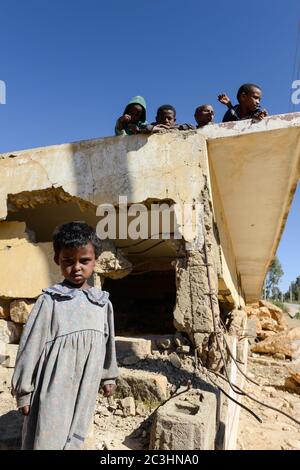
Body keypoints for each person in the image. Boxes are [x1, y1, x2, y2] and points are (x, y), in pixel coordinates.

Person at [11, 221, 118, 450]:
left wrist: (108, 376)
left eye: (84, 261)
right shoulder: (50, 301)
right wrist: (24, 392)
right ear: (57, 260)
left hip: (86, 384)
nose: (76, 267)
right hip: (54, 385)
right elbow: (30, 347)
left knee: (76, 435)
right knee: (47, 435)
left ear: (95, 260)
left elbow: (108, 343)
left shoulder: (102, 303)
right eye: (68, 261)